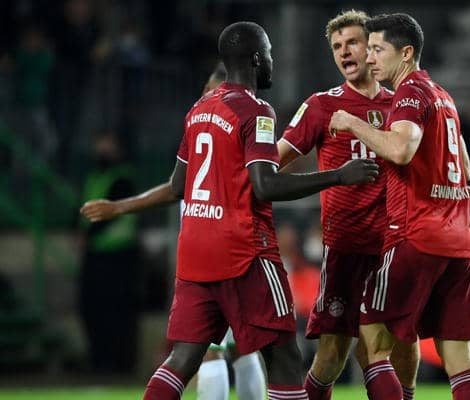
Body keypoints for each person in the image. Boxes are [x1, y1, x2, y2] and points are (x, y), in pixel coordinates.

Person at [279, 10, 470, 400]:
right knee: (333, 353)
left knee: (397, 349)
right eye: (337, 47)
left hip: (399, 241)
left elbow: (430, 167)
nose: (349, 53)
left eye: (359, 44)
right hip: (350, 246)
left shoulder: (404, 99)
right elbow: (273, 160)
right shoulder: (323, 106)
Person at [141, 21, 378, 400]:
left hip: (194, 251)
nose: (272, 61)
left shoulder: (199, 109)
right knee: (284, 356)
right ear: (255, 59)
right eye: (268, 54)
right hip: (243, 251)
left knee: (183, 358)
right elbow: (265, 184)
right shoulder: (256, 111)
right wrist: (338, 176)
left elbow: (177, 185)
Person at [82, 63, 267, 400]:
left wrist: (120, 207)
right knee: (241, 346)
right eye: (206, 90)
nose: (207, 96)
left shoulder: (216, 130)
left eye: (213, 90)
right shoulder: (230, 130)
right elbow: (177, 188)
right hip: (231, 251)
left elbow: (176, 188)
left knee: (209, 351)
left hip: (217, 253)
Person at [79, 132, 140, 374]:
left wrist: (86, 236)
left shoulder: (123, 178)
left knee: (116, 311)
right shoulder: (94, 177)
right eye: (100, 145)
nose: (102, 151)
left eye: (108, 146)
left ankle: (118, 363)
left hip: (119, 256)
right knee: (91, 308)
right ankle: (98, 359)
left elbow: (110, 214)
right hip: (95, 255)